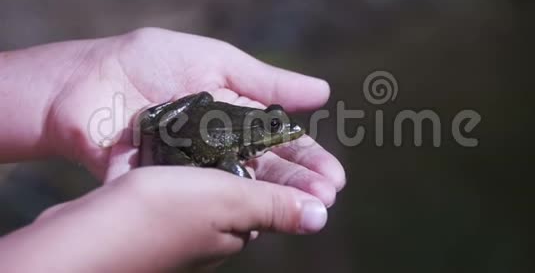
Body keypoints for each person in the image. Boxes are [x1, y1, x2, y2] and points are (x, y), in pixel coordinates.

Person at [0, 28, 346, 272]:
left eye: (276, 122)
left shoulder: (251, 124)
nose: (284, 129)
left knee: (199, 112)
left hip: (186, 116)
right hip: (181, 145)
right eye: (274, 126)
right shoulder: (241, 145)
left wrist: (69, 84)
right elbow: (229, 162)